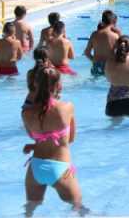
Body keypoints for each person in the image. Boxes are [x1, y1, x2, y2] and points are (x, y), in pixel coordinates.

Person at [22, 67, 83, 214]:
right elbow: (71, 139)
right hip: (61, 169)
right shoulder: (66, 107)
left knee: (30, 209)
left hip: (35, 168)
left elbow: (36, 137)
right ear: (58, 85)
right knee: (79, 209)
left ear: (35, 84)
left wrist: (33, 145)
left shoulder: (26, 113)